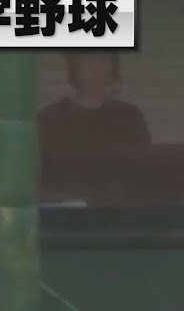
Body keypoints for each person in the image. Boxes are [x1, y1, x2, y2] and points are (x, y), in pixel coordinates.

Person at [37, 51, 152, 206]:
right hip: (66, 214)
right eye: (88, 59)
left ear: (113, 67)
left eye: (103, 59)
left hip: (120, 214)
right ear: (74, 66)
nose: (95, 67)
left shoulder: (130, 118)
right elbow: (35, 181)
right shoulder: (48, 120)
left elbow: (145, 176)